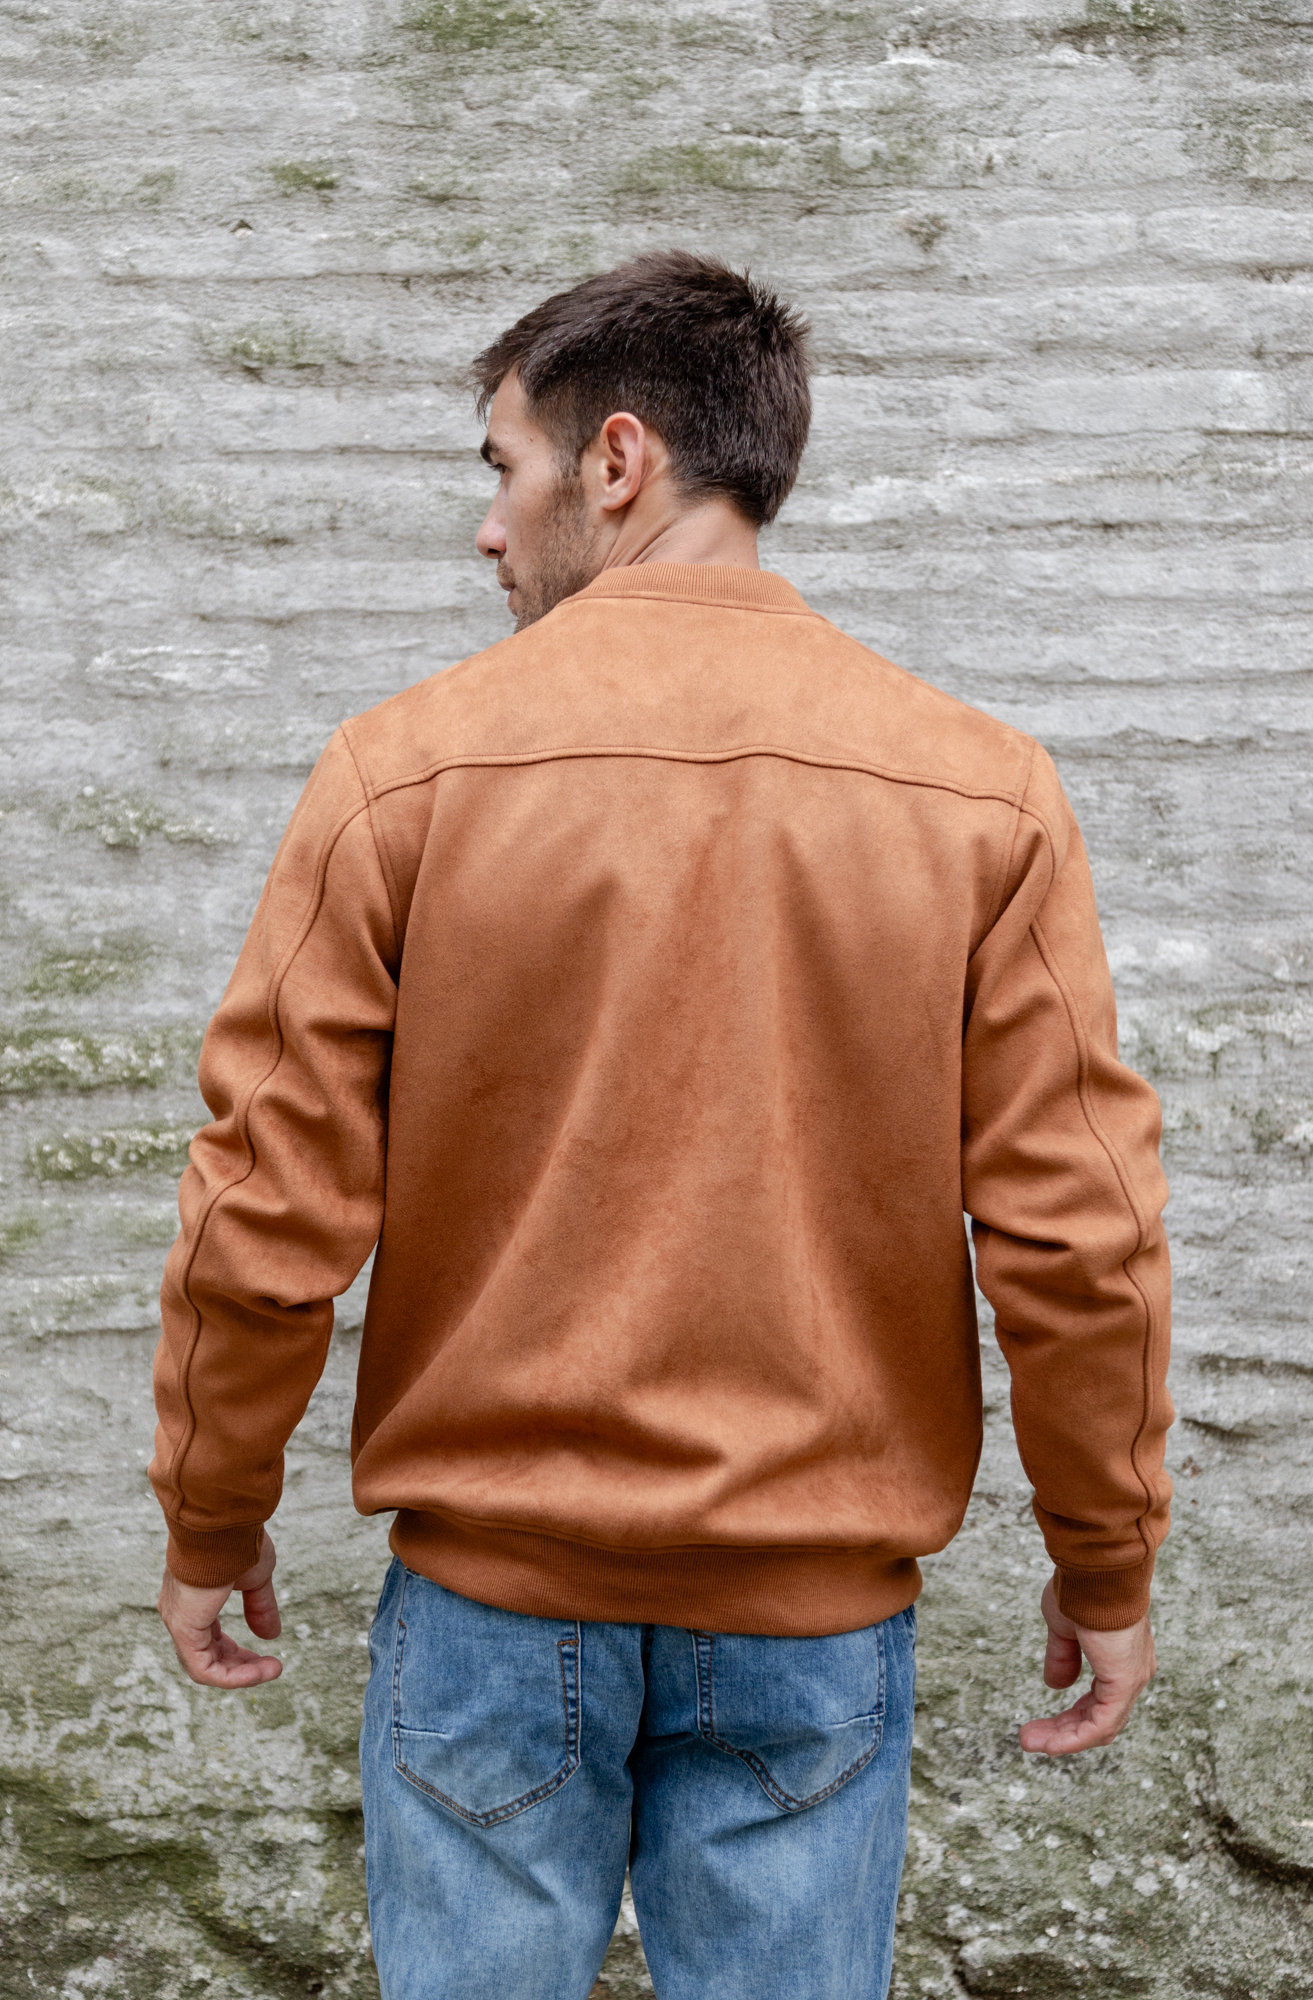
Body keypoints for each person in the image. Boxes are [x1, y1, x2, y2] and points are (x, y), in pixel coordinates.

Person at [151, 251, 1171, 2000]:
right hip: (808, 1623)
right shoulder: (979, 795)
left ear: (616, 461)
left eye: (503, 469)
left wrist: (210, 1508)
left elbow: (262, 1213)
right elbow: (1081, 1238)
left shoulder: (403, 774)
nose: (488, 529)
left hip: (489, 1616)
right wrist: (1105, 1553)